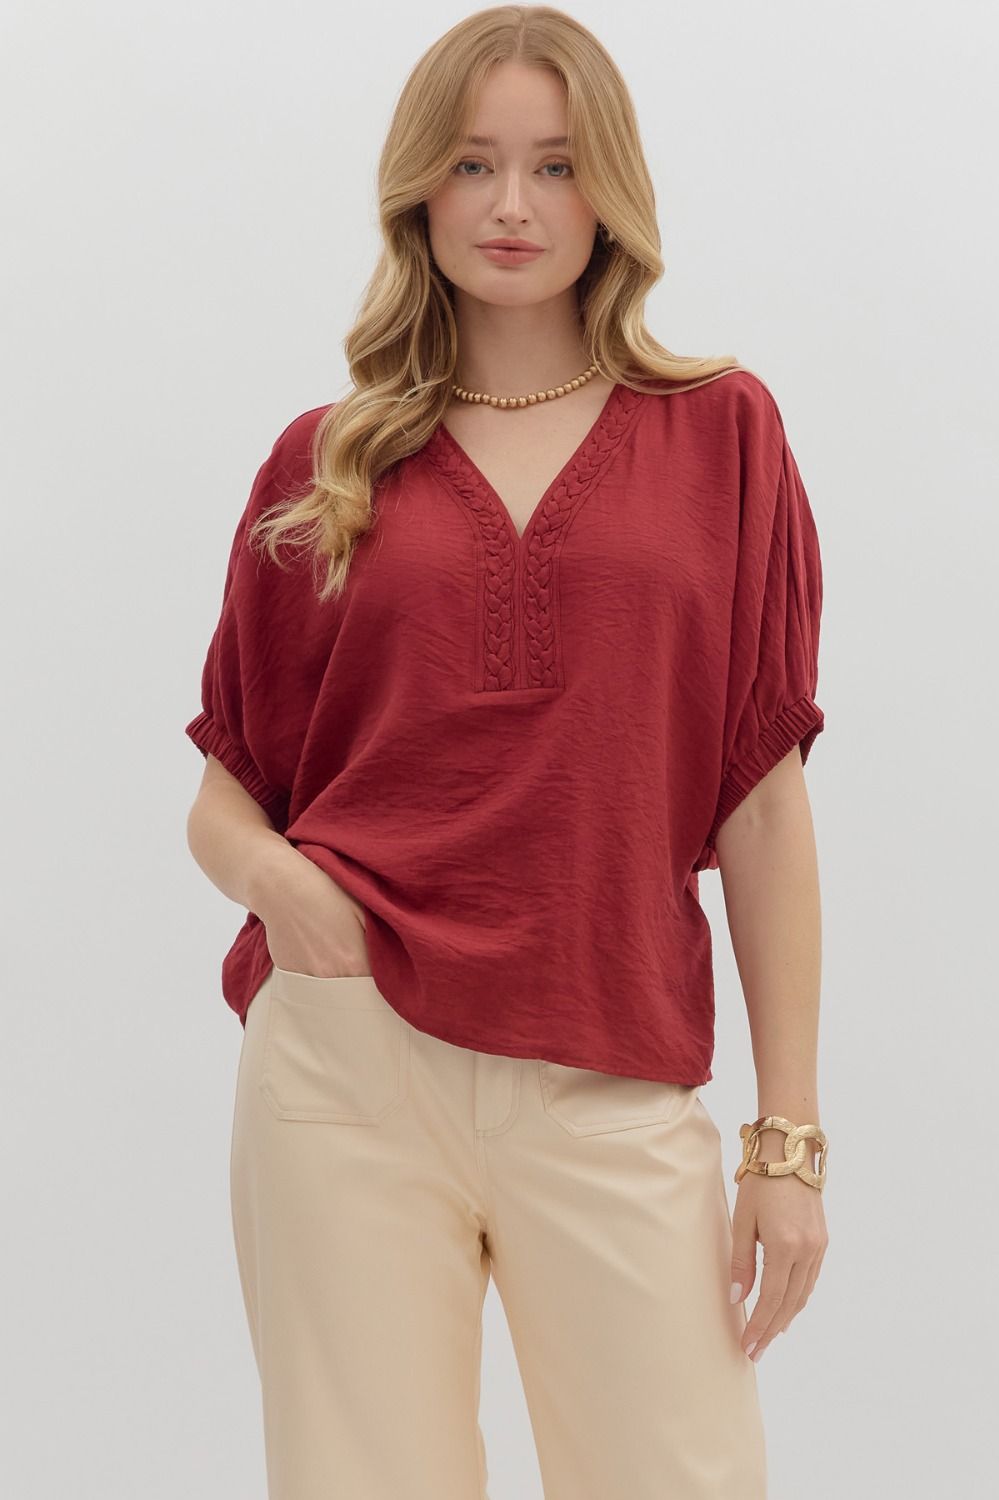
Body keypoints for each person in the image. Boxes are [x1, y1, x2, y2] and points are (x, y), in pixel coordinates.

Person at [184, 8, 829, 1498]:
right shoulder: (326, 460)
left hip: (609, 1062)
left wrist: (785, 1142)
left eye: (555, 164)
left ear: (612, 193)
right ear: (420, 189)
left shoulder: (722, 434)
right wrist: (292, 896)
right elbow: (224, 800)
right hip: (348, 1063)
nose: (514, 206)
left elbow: (764, 807)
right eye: (474, 164)